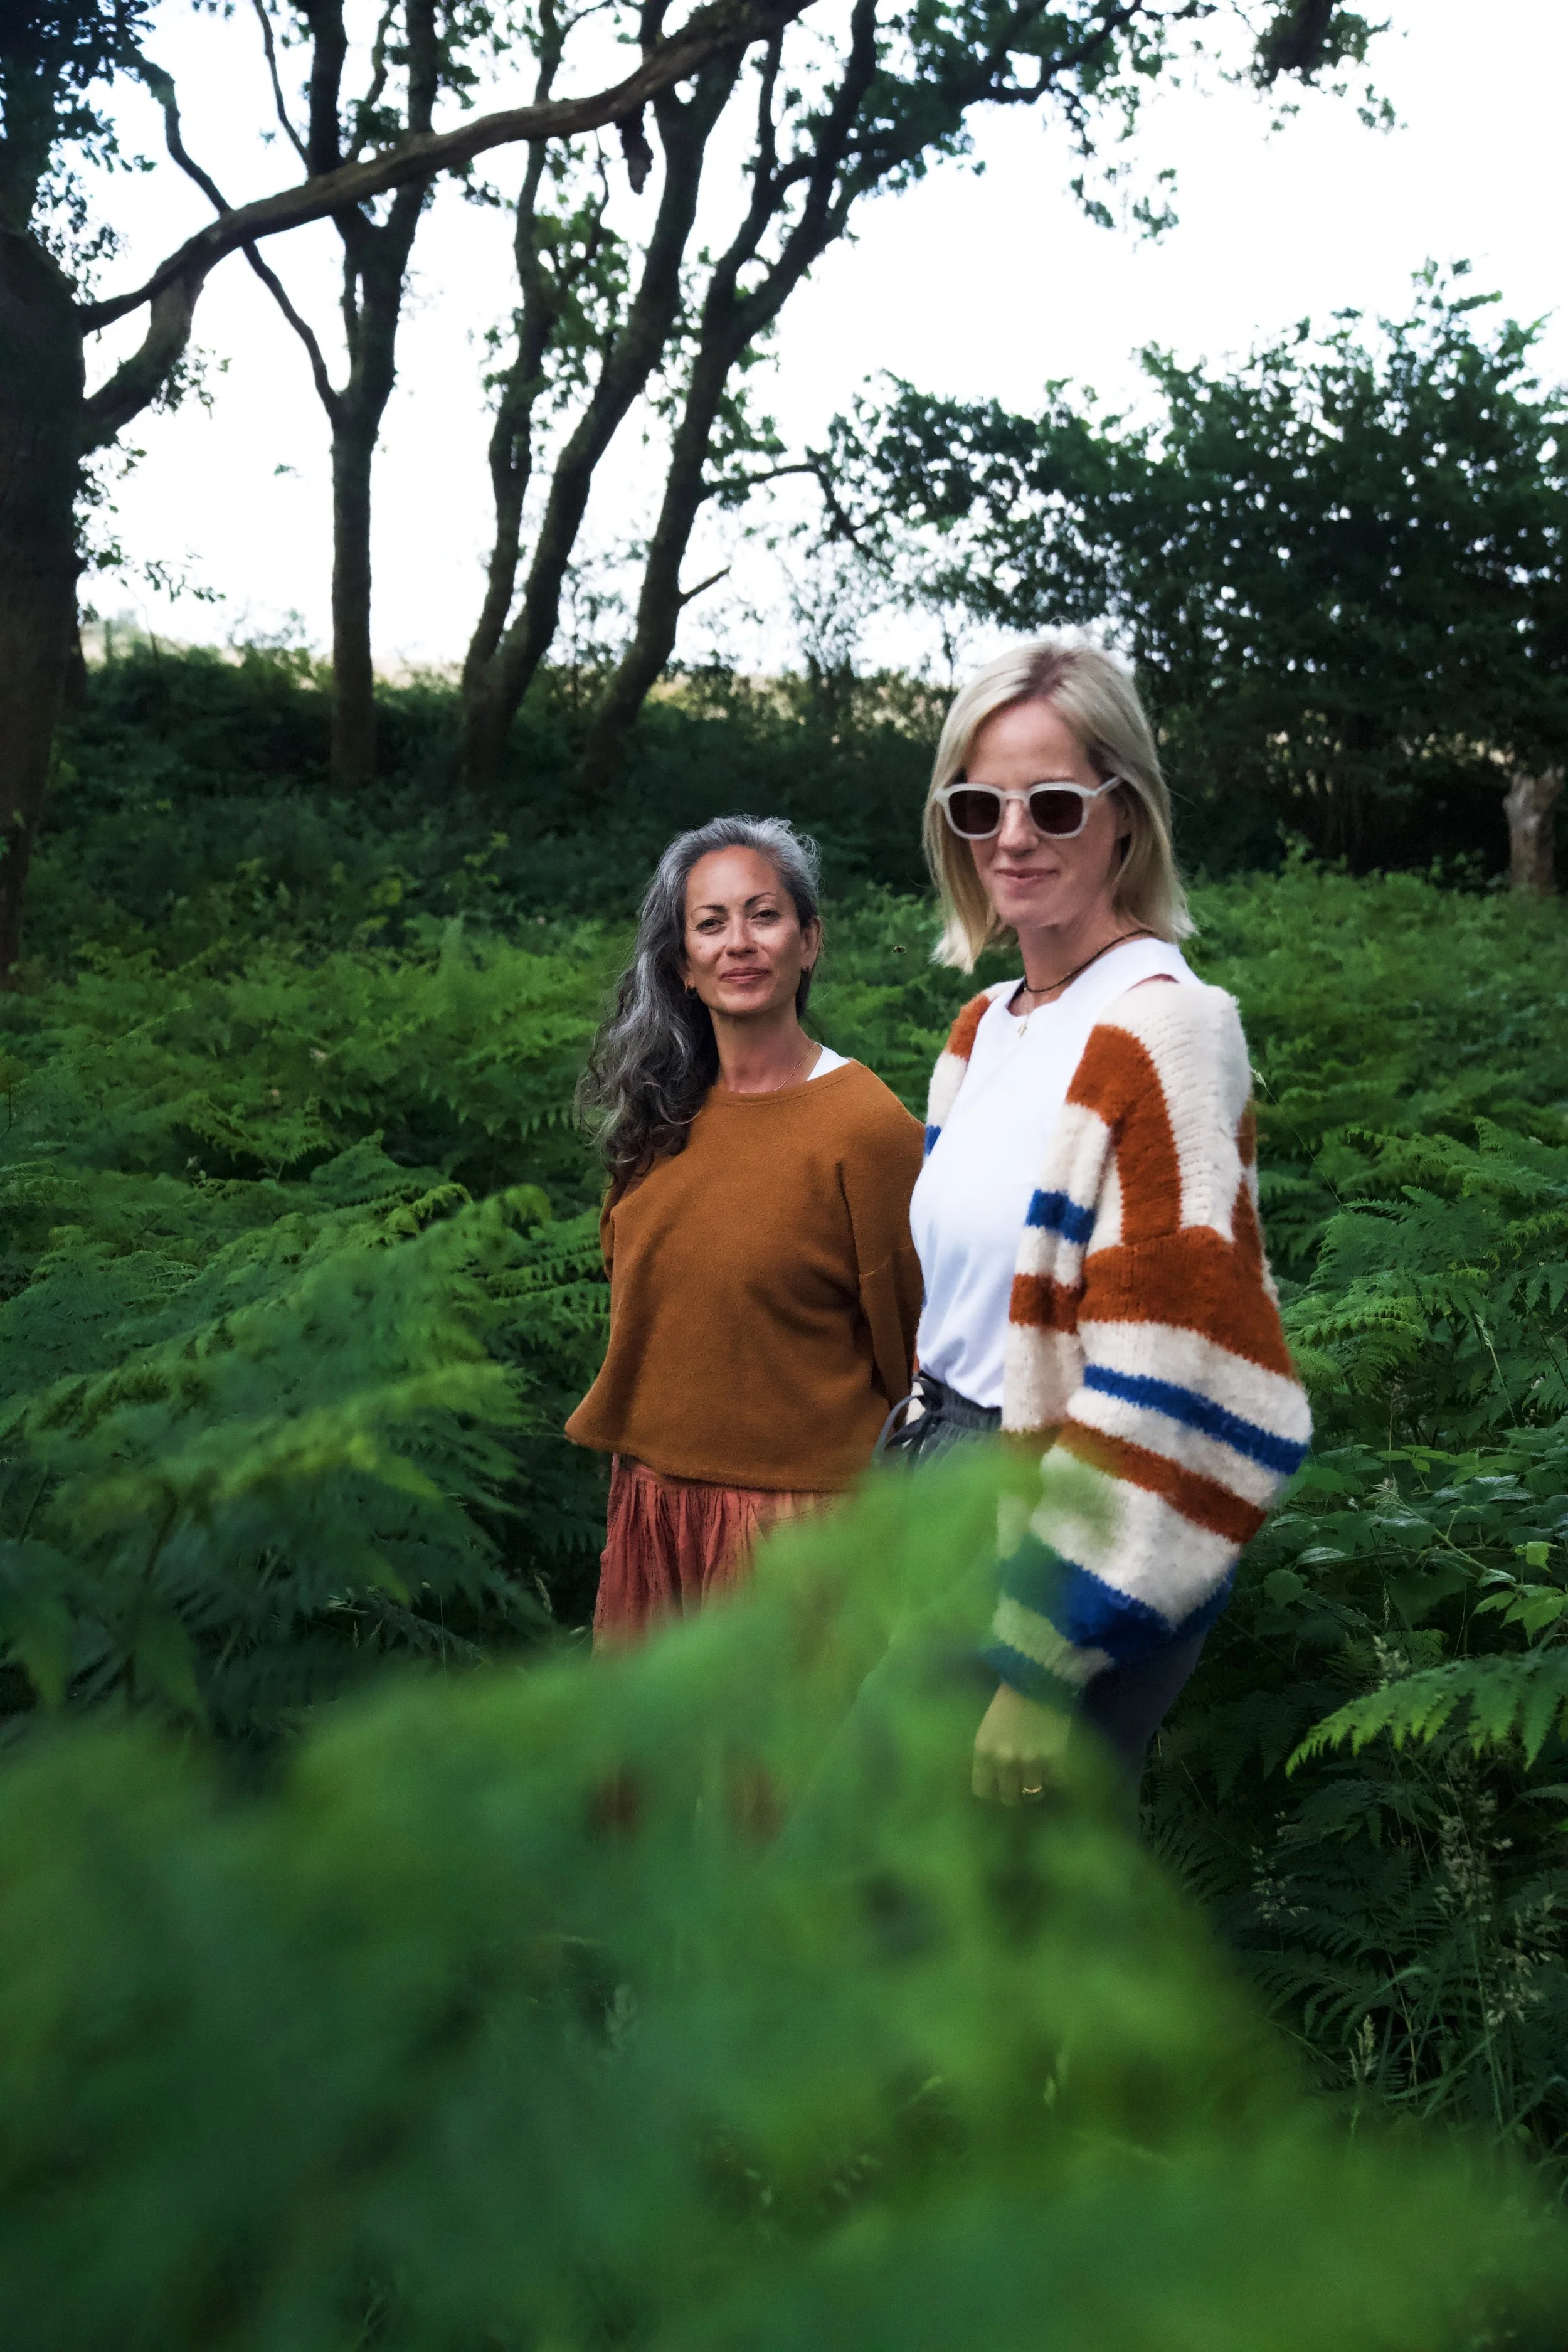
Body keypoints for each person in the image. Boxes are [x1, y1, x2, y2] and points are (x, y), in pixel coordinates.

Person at [887, 632, 1311, 1804]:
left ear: (1125, 814)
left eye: (1054, 803)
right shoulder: (984, 1030)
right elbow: (972, 1317)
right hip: (946, 1476)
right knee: (981, 1935)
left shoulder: (1167, 1028)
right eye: (979, 805)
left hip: (1061, 1516)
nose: (1011, 837)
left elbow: (1175, 1371)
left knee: (880, 1890)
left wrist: (1039, 1653)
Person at [568, 815, 924, 1645]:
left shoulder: (866, 1128)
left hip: (799, 1529)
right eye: (711, 922)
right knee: (635, 1770)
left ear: (810, 942)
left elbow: (915, 1355)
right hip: (650, 1510)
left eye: (764, 914)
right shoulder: (659, 1116)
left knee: (773, 1779)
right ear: (683, 965)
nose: (739, 941)